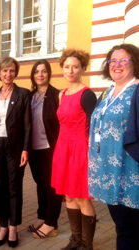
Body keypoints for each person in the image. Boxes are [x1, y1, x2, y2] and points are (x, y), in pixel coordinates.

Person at [88, 44, 139, 250]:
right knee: (122, 227)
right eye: (112, 61)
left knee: (129, 232)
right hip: (108, 175)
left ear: (134, 63)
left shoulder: (137, 91)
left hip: (130, 175)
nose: (117, 65)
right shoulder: (107, 93)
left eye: (123, 60)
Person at [51, 49, 97, 250]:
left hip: (80, 150)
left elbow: (94, 128)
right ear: (62, 69)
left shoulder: (87, 94)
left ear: (82, 69)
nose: (71, 70)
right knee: (68, 196)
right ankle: (75, 239)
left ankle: (87, 244)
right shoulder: (62, 94)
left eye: (75, 67)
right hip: (63, 149)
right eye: (67, 67)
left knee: (81, 196)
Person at [0, 57, 31, 248]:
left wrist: (25, 149)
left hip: (15, 147)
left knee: (14, 188)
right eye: (4, 71)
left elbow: (28, 124)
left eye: (12, 71)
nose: (8, 74)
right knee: (1, 187)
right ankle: (3, 225)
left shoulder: (23, 94)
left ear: (16, 72)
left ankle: (13, 227)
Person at [27, 59, 62, 239]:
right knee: (40, 184)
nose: (40, 74)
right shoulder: (30, 96)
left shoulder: (56, 95)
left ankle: (51, 222)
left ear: (49, 74)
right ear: (33, 75)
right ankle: (42, 216)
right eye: (37, 71)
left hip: (50, 148)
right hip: (33, 149)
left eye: (43, 71)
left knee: (52, 186)